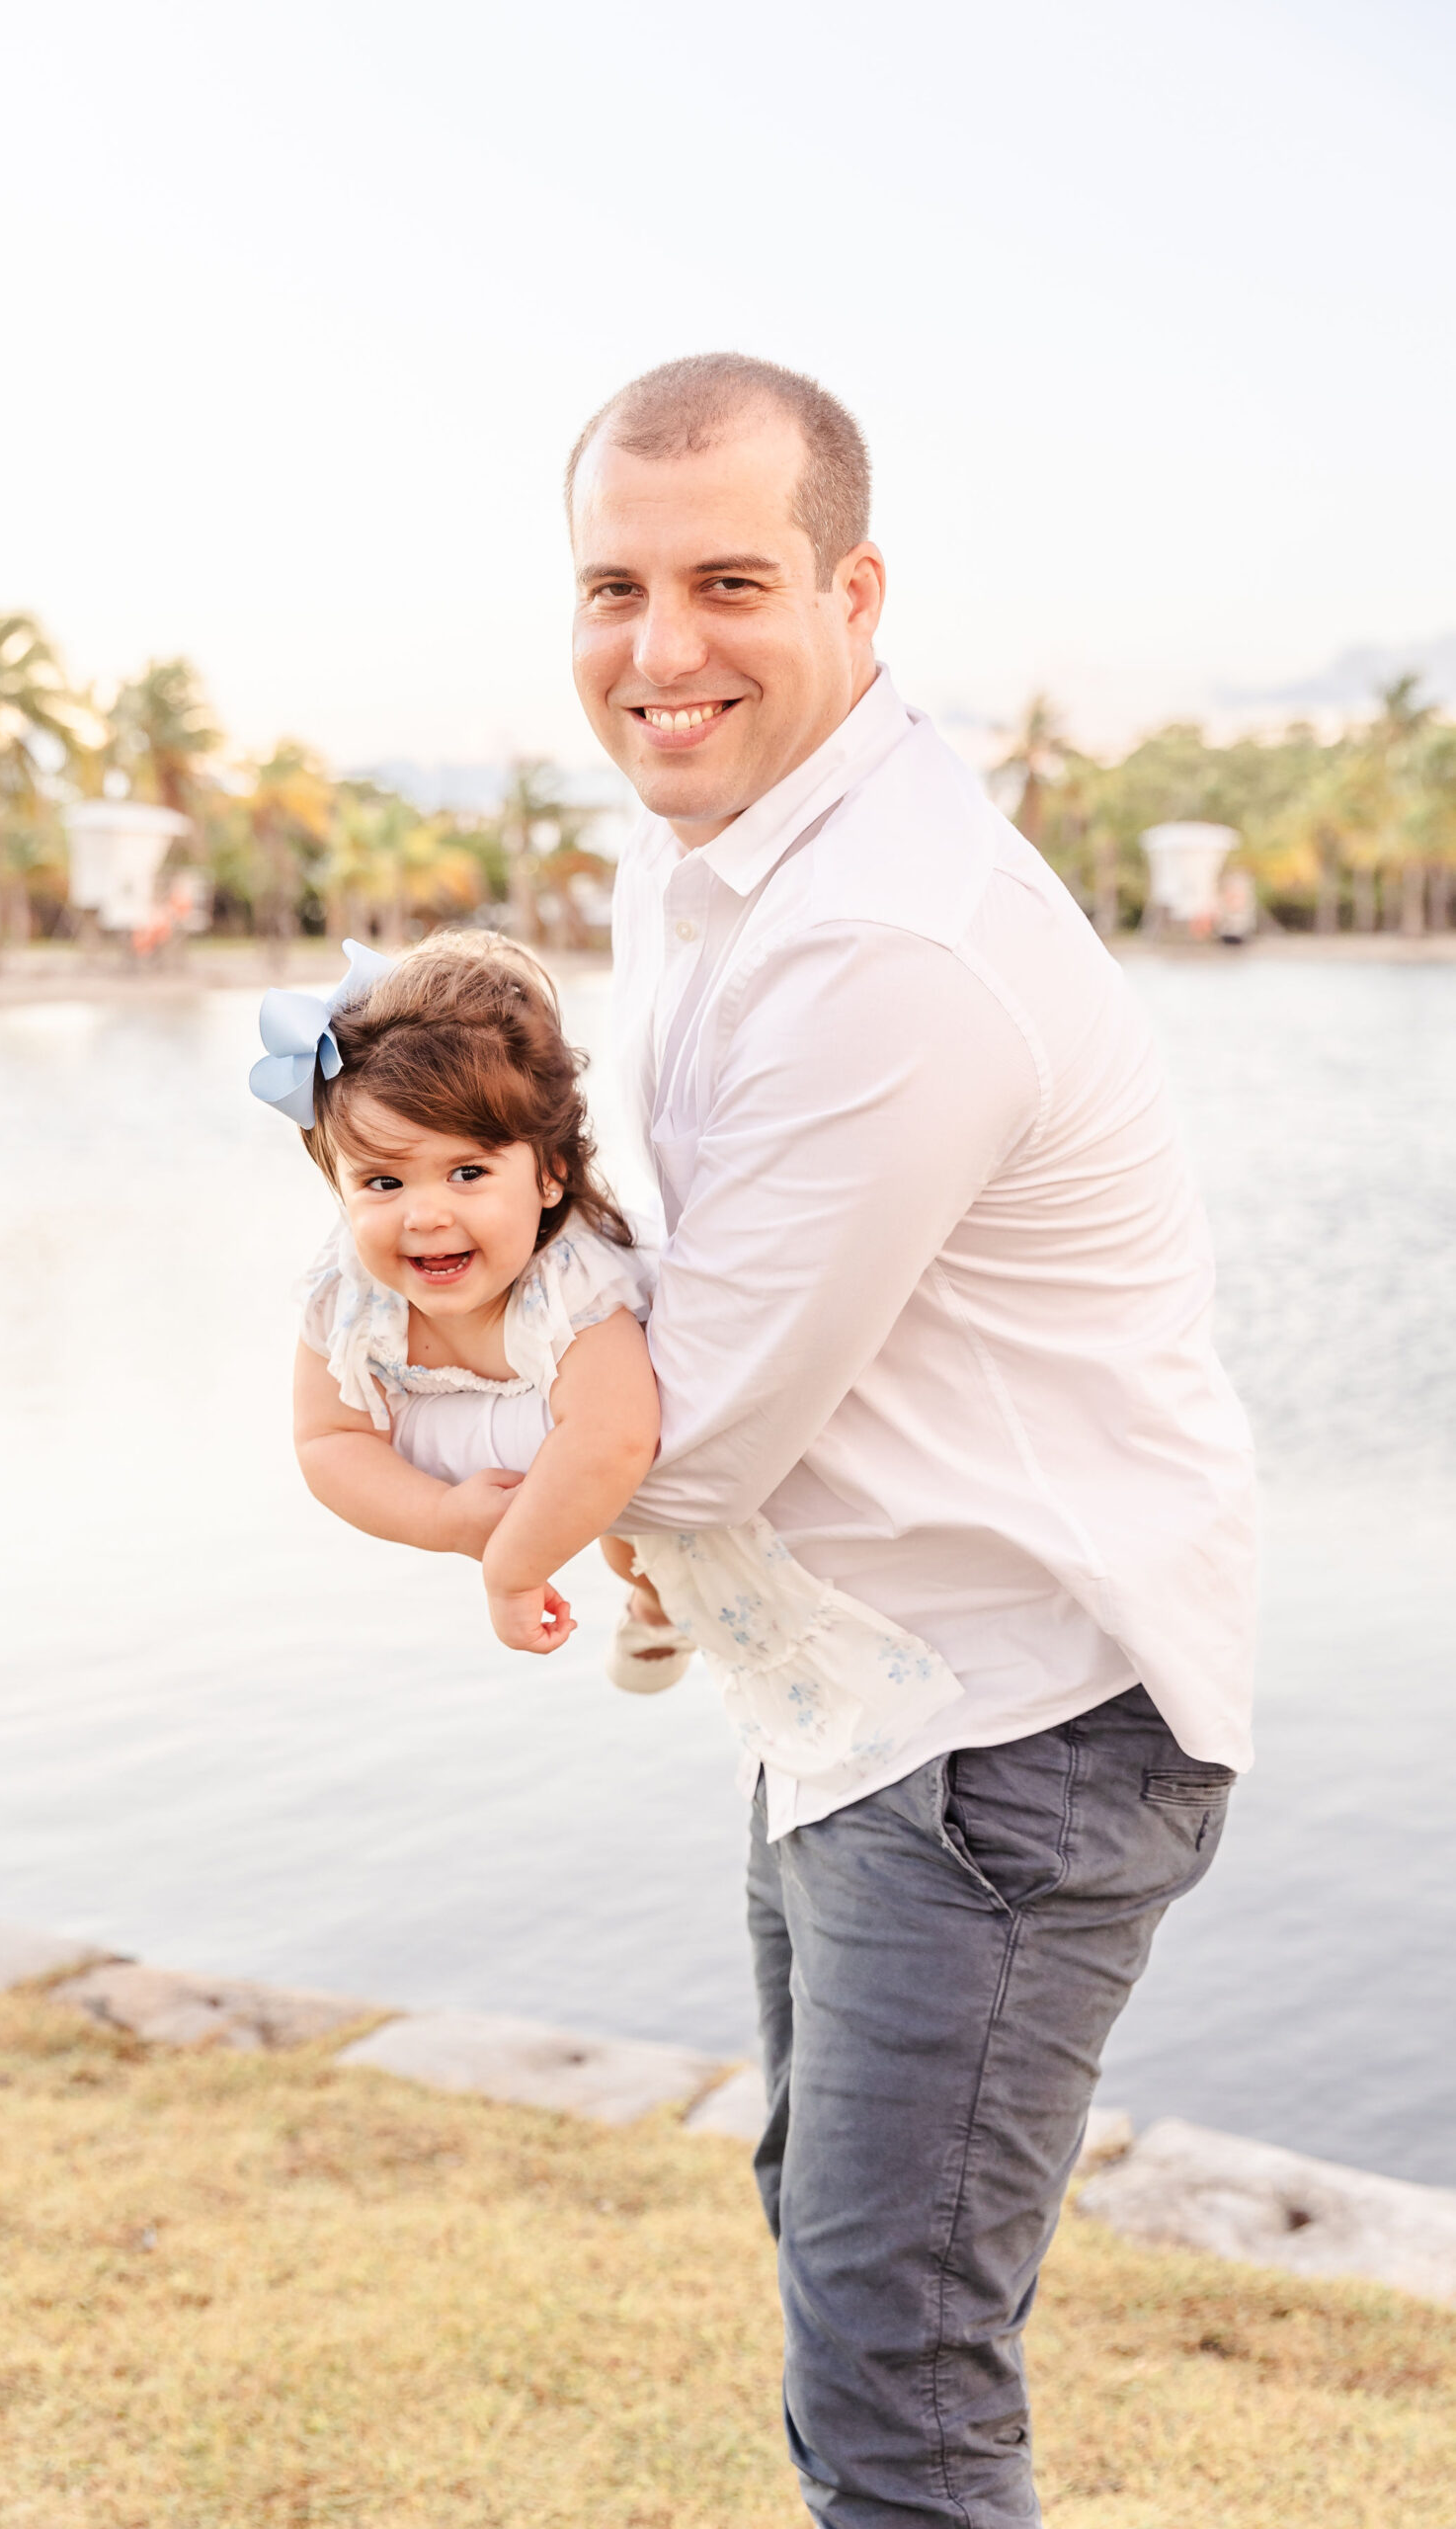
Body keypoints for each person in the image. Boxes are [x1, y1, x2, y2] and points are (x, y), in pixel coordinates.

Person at [568, 353, 1256, 2528]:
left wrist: (363, 1407)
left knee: (895, 2357)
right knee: (845, 2275)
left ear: (855, 593)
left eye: (726, 581)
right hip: (866, 1702)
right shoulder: (757, 880)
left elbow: (679, 1434)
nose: (659, 650)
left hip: (1003, 1741)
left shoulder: (883, 934)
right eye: (612, 587)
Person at [257, 930, 969, 1767]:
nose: (424, 1214)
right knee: (617, 1525)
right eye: (382, 1182)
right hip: (532, 1441)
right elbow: (329, 1441)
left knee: (642, 1541)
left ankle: (656, 1609)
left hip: (721, 1467)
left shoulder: (571, 1287)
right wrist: (444, 1519)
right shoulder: (348, 1296)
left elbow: (614, 1437)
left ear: (549, 1176)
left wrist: (513, 1572)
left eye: (468, 1173)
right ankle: (658, 1606)